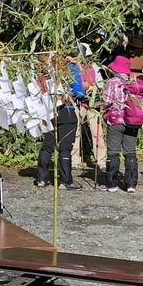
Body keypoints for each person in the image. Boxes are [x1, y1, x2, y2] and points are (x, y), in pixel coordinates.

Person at [100, 54, 143, 192]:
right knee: (130, 152)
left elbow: (106, 102)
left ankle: (112, 184)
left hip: (116, 121)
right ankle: (131, 184)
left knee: (114, 152)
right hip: (132, 122)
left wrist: (102, 108)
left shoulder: (112, 82)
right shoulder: (135, 83)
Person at [35, 55, 84, 190]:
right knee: (65, 148)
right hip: (67, 110)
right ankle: (65, 181)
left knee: (47, 146)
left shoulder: (43, 70)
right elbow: (80, 92)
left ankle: (41, 179)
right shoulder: (71, 69)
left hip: (48, 110)